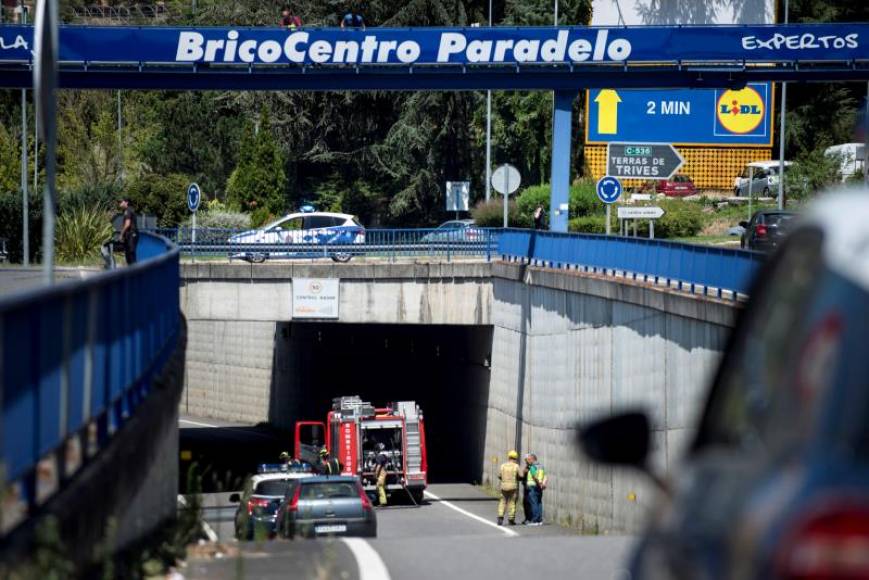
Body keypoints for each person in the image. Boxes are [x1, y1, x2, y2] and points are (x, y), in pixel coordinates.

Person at [497, 450, 521, 525]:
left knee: (503, 501)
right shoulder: (516, 466)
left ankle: (500, 517)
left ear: (509, 457)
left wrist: (503, 479)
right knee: (512, 502)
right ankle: (511, 519)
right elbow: (520, 476)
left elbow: (499, 475)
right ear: (515, 458)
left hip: (504, 486)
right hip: (513, 487)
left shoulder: (503, 465)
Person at [523, 453, 547, 526]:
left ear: (532, 459)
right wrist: (543, 484)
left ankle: (535, 520)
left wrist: (539, 484)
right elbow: (545, 476)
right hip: (540, 486)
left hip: (533, 486)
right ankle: (539, 520)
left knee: (534, 503)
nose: (528, 461)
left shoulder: (533, 467)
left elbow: (534, 476)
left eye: (529, 459)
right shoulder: (541, 466)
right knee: (539, 502)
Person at [119, 198, 138, 265]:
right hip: (130, 235)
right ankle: (131, 271)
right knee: (129, 254)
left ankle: (134, 272)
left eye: (121, 201)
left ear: (126, 202)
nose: (120, 203)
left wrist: (121, 234)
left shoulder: (128, 211)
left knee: (131, 253)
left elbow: (127, 224)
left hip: (131, 234)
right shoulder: (128, 210)